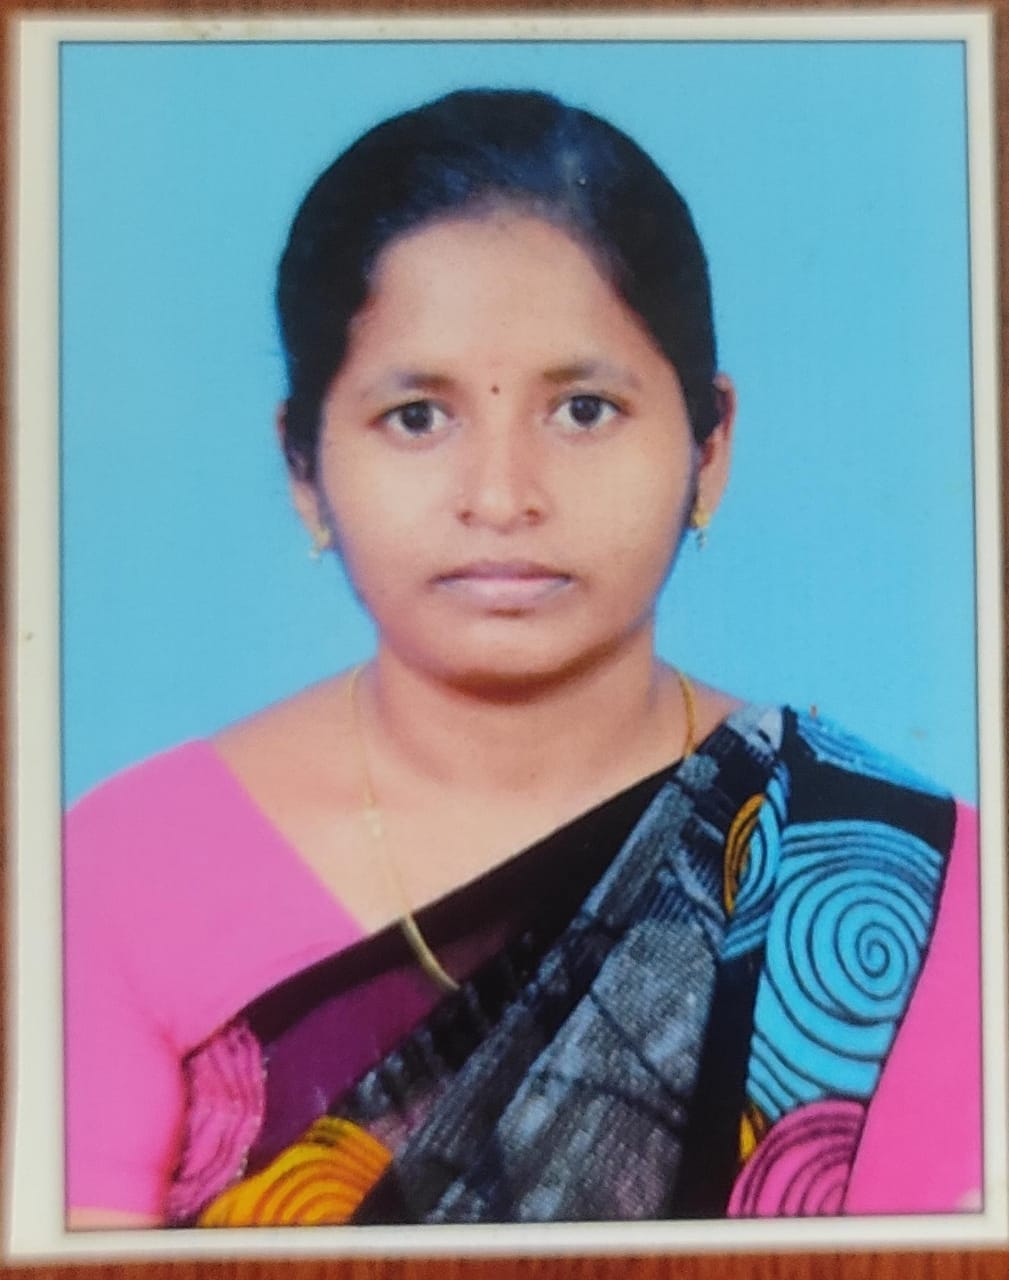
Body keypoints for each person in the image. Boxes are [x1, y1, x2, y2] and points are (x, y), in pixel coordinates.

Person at [65, 88, 980, 1229]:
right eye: (417, 417)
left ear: (708, 447)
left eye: (583, 410)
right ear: (304, 468)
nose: (501, 497)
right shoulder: (121, 871)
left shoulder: (902, 876)